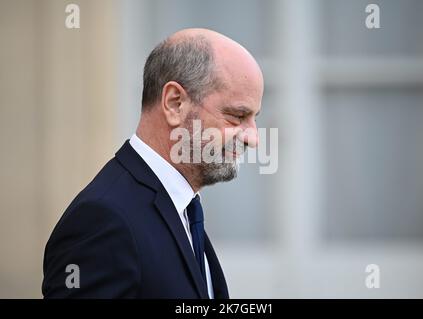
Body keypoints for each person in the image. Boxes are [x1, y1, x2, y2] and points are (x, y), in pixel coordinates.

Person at [42, 28, 264, 298]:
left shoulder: (183, 209)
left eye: (254, 118)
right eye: (236, 116)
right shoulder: (103, 220)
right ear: (174, 103)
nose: (253, 138)